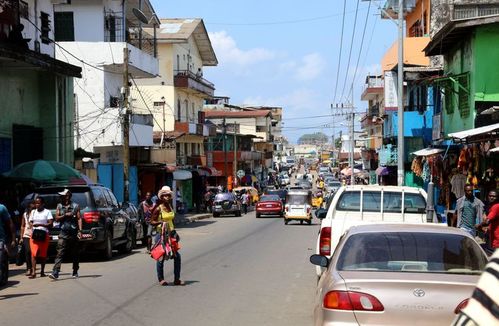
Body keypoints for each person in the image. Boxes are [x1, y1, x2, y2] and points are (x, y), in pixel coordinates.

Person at [151, 186, 184, 286]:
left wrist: (174, 232)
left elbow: (171, 220)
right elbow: (152, 221)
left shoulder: (170, 207)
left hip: (171, 234)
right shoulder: (158, 208)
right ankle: (161, 279)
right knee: (160, 257)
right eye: (164, 195)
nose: (167, 197)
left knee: (177, 257)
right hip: (161, 234)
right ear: (161, 197)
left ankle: (176, 279)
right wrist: (161, 223)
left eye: (168, 195)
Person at [49, 189, 82, 280]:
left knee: (75, 253)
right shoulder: (59, 206)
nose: (61, 197)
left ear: (67, 196)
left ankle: (75, 270)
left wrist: (80, 230)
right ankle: (55, 272)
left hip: (73, 232)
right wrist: (64, 215)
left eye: (62, 195)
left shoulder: (75, 206)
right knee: (60, 252)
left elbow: (79, 218)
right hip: (63, 232)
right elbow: (56, 218)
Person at [28, 197, 53, 278]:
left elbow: (50, 223)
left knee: (43, 254)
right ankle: (34, 272)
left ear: (43, 204)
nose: (37, 205)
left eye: (38, 203)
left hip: (44, 234)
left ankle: (42, 271)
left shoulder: (47, 212)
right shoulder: (33, 211)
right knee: (33, 253)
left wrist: (40, 225)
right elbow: (30, 221)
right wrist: (32, 225)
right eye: (36, 203)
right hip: (34, 235)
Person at [19, 200, 35, 276]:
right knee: (27, 251)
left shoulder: (36, 213)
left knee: (34, 252)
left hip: (35, 234)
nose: (34, 205)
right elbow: (22, 226)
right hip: (27, 235)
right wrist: (21, 237)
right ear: (29, 206)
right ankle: (29, 268)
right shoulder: (25, 214)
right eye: (32, 204)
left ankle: (33, 268)